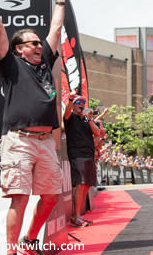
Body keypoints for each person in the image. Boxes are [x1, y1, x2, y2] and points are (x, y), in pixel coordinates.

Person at [0, 0, 67, 255]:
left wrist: (60, 1)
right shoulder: (11, 63)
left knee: (51, 196)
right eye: (33, 43)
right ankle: (11, 251)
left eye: (40, 43)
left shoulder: (46, 62)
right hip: (19, 141)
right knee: (20, 198)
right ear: (19, 49)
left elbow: (56, 29)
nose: (39, 46)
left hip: (45, 142)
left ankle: (29, 239)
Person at [63, 94, 102, 227]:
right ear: (73, 106)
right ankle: (76, 216)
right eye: (78, 103)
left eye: (82, 103)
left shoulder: (87, 119)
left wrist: (89, 118)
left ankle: (78, 216)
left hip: (89, 155)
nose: (81, 105)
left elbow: (97, 133)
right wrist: (70, 100)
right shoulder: (70, 117)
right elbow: (66, 113)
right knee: (80, 184)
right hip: (77, 154)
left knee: (86, 185)